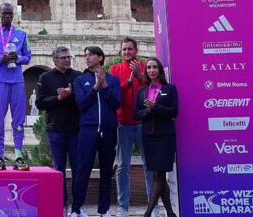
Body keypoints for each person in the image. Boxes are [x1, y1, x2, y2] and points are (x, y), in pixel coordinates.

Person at [0, 2, 32, 171]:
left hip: (17, 81)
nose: (7, 17)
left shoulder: (22, 34)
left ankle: (18, 156)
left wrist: (17, 58)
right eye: (4, 14)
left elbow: (28, 57)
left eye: (10, 14)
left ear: (13, 15)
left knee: (18, 120)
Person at [72, 46, 121, 217]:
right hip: (88, 130)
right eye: (85, 55)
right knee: (83, 170)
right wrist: (95, 87)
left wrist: (105, 85)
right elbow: (81, 105)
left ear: (100, 58)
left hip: (108, 131)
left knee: (106, 171)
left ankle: (104, 210)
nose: (87, 58)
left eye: (91, 55)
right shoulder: (80, 80)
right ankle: (77, 209)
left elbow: (116, 104)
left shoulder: (113, 80)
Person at [108, 37, 153, 217]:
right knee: (122, 166)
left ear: (136, 50)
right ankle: (123, 207)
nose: (127, 52)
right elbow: (114, 91)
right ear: (120, 52)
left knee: (149, 165)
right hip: (122, 123)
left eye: (130, 49)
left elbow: (151, 88)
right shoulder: (115, 69)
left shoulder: (145, 65)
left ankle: (153, 205)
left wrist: (140, 76)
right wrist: (129, 80)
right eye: (124, 49)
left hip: (143, 122)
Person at [35, 45, 82, 211]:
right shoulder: (45, 77)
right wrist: (59, 98)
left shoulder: (78, 76)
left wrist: (72, 94)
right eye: (64, 58)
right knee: (58, 169)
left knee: (78, 168)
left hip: (76, 129)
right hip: (55, 129)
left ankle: (78, 207)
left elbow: (85, 100)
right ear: (55, 60)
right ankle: (62, 204)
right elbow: (40, 103)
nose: (68, 60)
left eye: (69, 57)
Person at [133, 58, 177, 217]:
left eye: (155, 67)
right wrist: (149, 111)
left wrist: (155, 106)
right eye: (149, 68)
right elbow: (136, 114)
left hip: (165, 136)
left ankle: (148, 213)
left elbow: (174, 112)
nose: (151, 70)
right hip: (148, 136)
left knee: (159, 175)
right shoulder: (141, 91)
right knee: (158, 175)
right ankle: (170, 213)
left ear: (160, 70)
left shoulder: (170, 89)